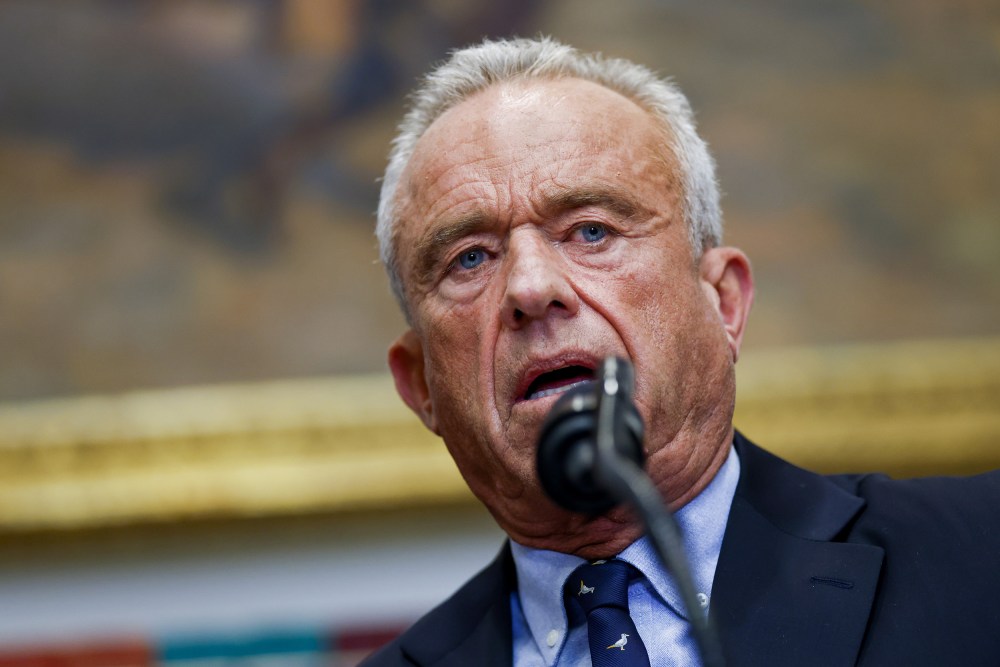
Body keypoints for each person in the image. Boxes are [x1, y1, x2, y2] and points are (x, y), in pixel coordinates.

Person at [361, 37, 1000, 666]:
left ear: (723, 304)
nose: (530, 289)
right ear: (420, 385)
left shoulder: (979, 557)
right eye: (469, 258)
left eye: (591, 231)